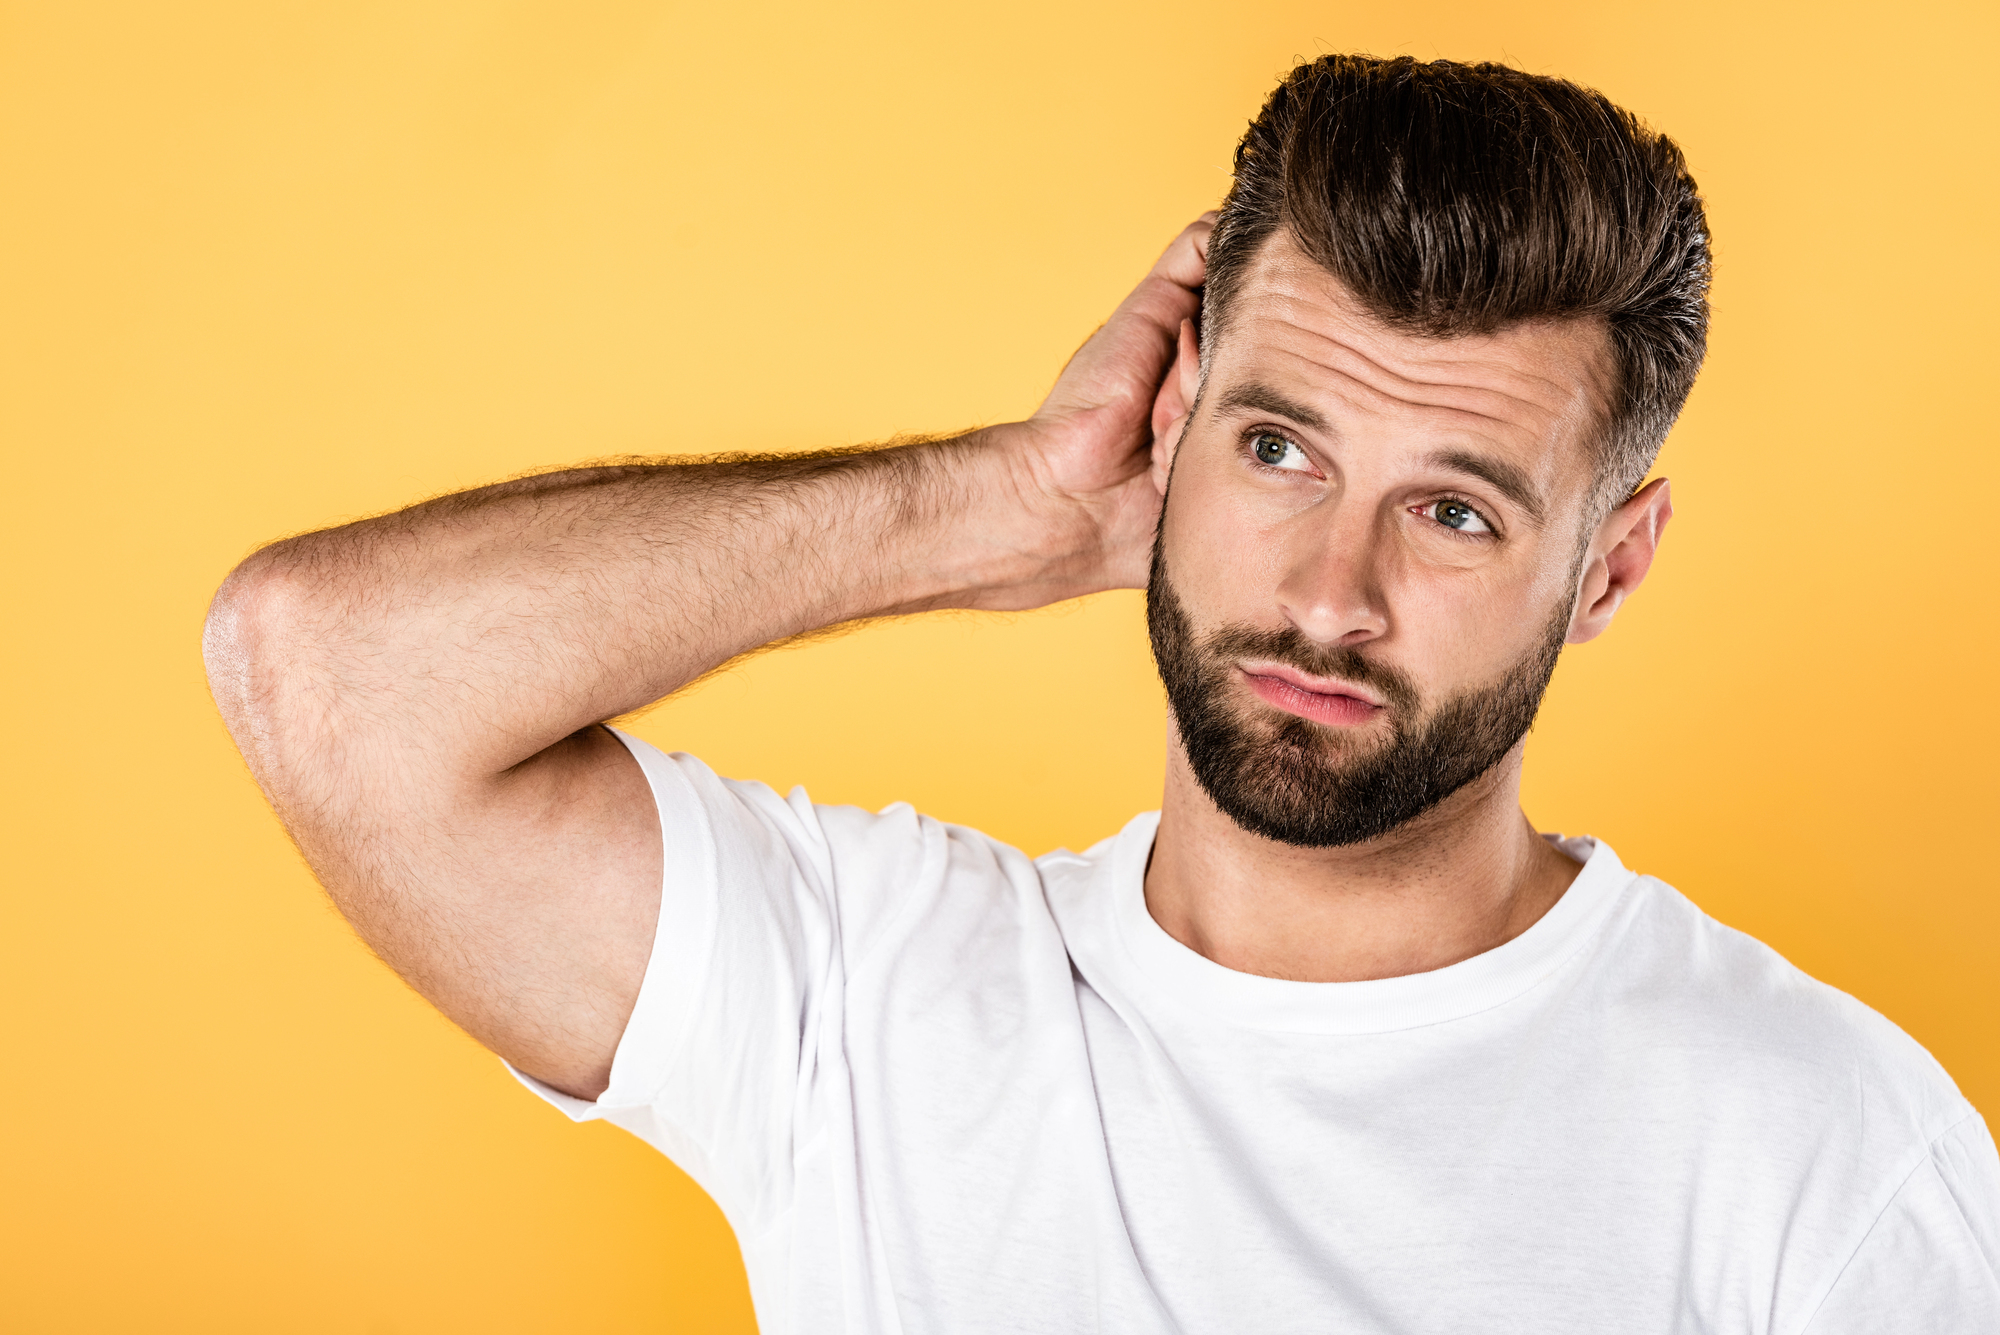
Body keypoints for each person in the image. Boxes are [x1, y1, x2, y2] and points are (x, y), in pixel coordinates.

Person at [203, 52, 1999, 1334]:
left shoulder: (1822, 1149)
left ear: (1609, 565)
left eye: (1453, 511)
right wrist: (1004, 504)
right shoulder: (872, 1002)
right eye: (1279, 447)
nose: (1326, 596)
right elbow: (326, 669)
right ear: (1176, 426)